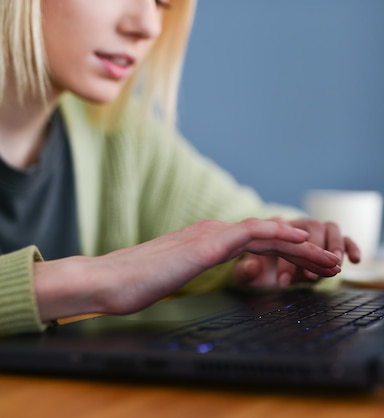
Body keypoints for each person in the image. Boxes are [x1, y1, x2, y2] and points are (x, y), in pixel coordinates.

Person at [0, 0, 360, 337]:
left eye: (163, 2)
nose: (148, 26)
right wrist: (92, 279)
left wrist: (271, 259)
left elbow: (248, 224)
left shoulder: (116, 135)